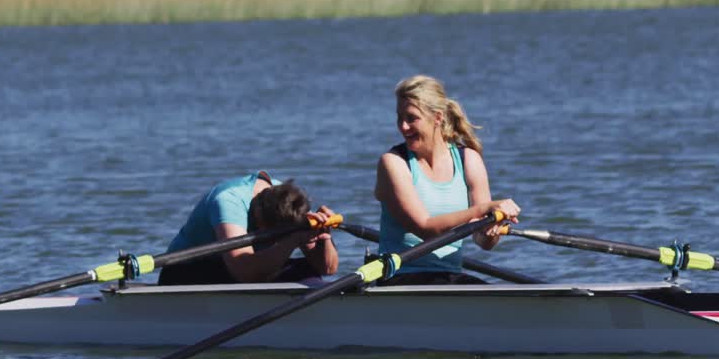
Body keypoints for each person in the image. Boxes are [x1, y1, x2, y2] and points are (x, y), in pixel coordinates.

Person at [374, 75, 520, 285]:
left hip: (446, 277)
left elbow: (483, 242)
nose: (403, 127)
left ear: (438, 118)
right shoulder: (394, 163)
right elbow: (425, 228)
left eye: (411, 118)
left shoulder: (469, 160)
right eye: (400, 118)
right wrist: (484, 209)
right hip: (400, 277)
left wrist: (490, 229)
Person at [158, 172, 339, 285]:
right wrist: (291, 241)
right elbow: (245, 273)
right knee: (291, 271)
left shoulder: (288, 202)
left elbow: (327, 268)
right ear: (259, 219)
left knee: (306, 269)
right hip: (183, 273)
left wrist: (325, 237)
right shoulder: (229, 203)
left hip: (228, 270)